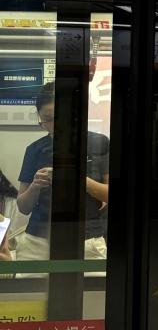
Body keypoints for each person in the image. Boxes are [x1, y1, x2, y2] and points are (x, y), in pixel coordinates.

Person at [15, 82, 110, 261]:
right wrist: (35, 186)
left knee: (93, 280)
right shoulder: (34, 149)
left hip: (87, 239)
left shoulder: (98, 142)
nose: (56, 124)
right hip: (38, 240)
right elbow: (23, 207)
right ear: (40, 118)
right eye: (48, 119)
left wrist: (78, 178)